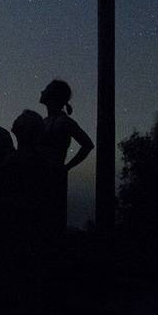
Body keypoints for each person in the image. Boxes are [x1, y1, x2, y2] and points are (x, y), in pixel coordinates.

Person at [38, 79, 94, 234]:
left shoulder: (64, 122)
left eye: (46, 89)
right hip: (40, 177)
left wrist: (66, 167)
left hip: (54, 178)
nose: (42, 91)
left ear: (53, 96)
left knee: (52, 221)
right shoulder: (44, 121)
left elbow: (87, 145)